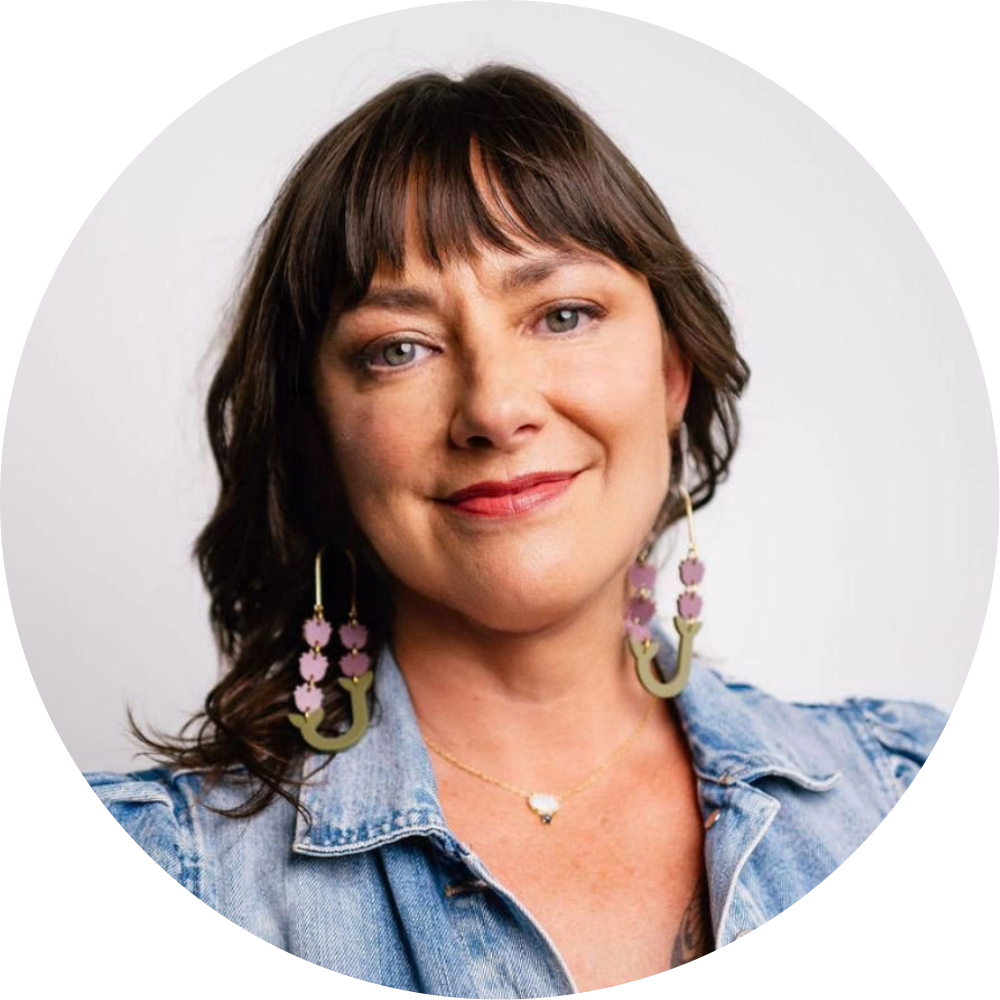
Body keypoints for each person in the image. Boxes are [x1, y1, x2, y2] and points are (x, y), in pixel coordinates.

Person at [84, 64, 948, 997]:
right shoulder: (145, 882)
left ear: (673, 372)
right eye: (399, 349)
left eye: (563, 315)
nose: (495, 409)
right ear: (318, 435)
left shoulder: (913, 791)